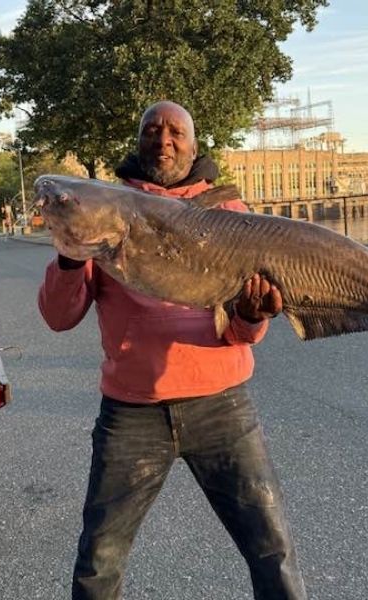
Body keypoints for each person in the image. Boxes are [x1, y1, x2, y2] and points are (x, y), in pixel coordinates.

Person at [38, 100, 307, 599]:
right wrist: (71, 258)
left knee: (273, 549)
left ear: (193, 143)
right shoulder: (107, 210)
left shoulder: (229, 213)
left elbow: (242, 333)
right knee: (99, 559)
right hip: (131, 414)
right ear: (138, 142)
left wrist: (251, 317)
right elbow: (58, 317)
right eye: (152, 130)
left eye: (175, 132)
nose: (163, 140)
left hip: (222, 407)